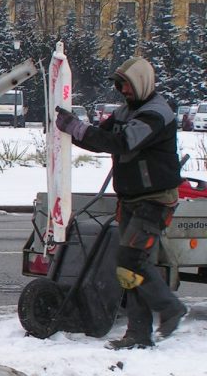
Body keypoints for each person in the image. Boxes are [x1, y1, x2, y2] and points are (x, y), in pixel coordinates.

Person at [55, 56, 188, 350]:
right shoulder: (128, 111)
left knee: (131, 261)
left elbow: (121, 143)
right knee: (130, 268)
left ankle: (170, 308)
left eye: (126, 86)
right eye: (120, 86)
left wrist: (75, 128)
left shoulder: (156, 115)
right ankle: (138, 335)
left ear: (141, 83)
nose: (123, 91)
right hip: (131, 199)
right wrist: (68, 130)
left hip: (154, 200)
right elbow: (101, 137)